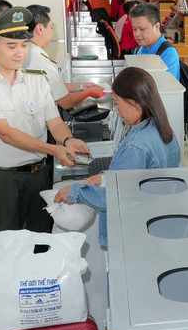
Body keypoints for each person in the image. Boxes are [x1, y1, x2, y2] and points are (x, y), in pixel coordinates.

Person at [0, 7, 89, 261]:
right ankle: (4, 302)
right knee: (4, 254)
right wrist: (54, 150)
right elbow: (6, 134)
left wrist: (68, 140)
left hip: (39, 177)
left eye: (24, 45)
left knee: (40, 247)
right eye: (11, 46)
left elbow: (54, 121)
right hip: (3, 182)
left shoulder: (35, 80)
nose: (20, 53)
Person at [54, 67, 181, 245]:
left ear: (135, 103)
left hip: (130, 233)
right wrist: (106, 176)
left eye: (117, 103)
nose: (117, 110)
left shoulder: (136, 145)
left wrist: (75, 191)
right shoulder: (163, 131)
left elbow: (116, 198)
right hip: (153, 223)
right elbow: (141, 178)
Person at [24, 4, 102, 109]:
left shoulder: (25, 50)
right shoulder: (41, 60)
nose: (52, 32)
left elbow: (53, 86)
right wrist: (90, 92)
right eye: (51, 27)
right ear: (40, 29)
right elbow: (66, 102)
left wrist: (81, 87)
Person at [130, 3, 179, 81]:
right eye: (134, 29)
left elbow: (166, 88)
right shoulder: (138, 50)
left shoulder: (168, 53)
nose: (137, 34)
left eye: (142, 29)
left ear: (156, 26)